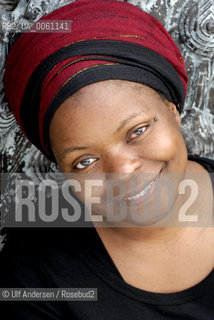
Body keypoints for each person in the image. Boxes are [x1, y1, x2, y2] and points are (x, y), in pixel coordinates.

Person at [0, 0, 214, 318]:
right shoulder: (38, 274)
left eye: (137, 131)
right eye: (85, 161)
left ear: (172, 112)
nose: (123, 171)